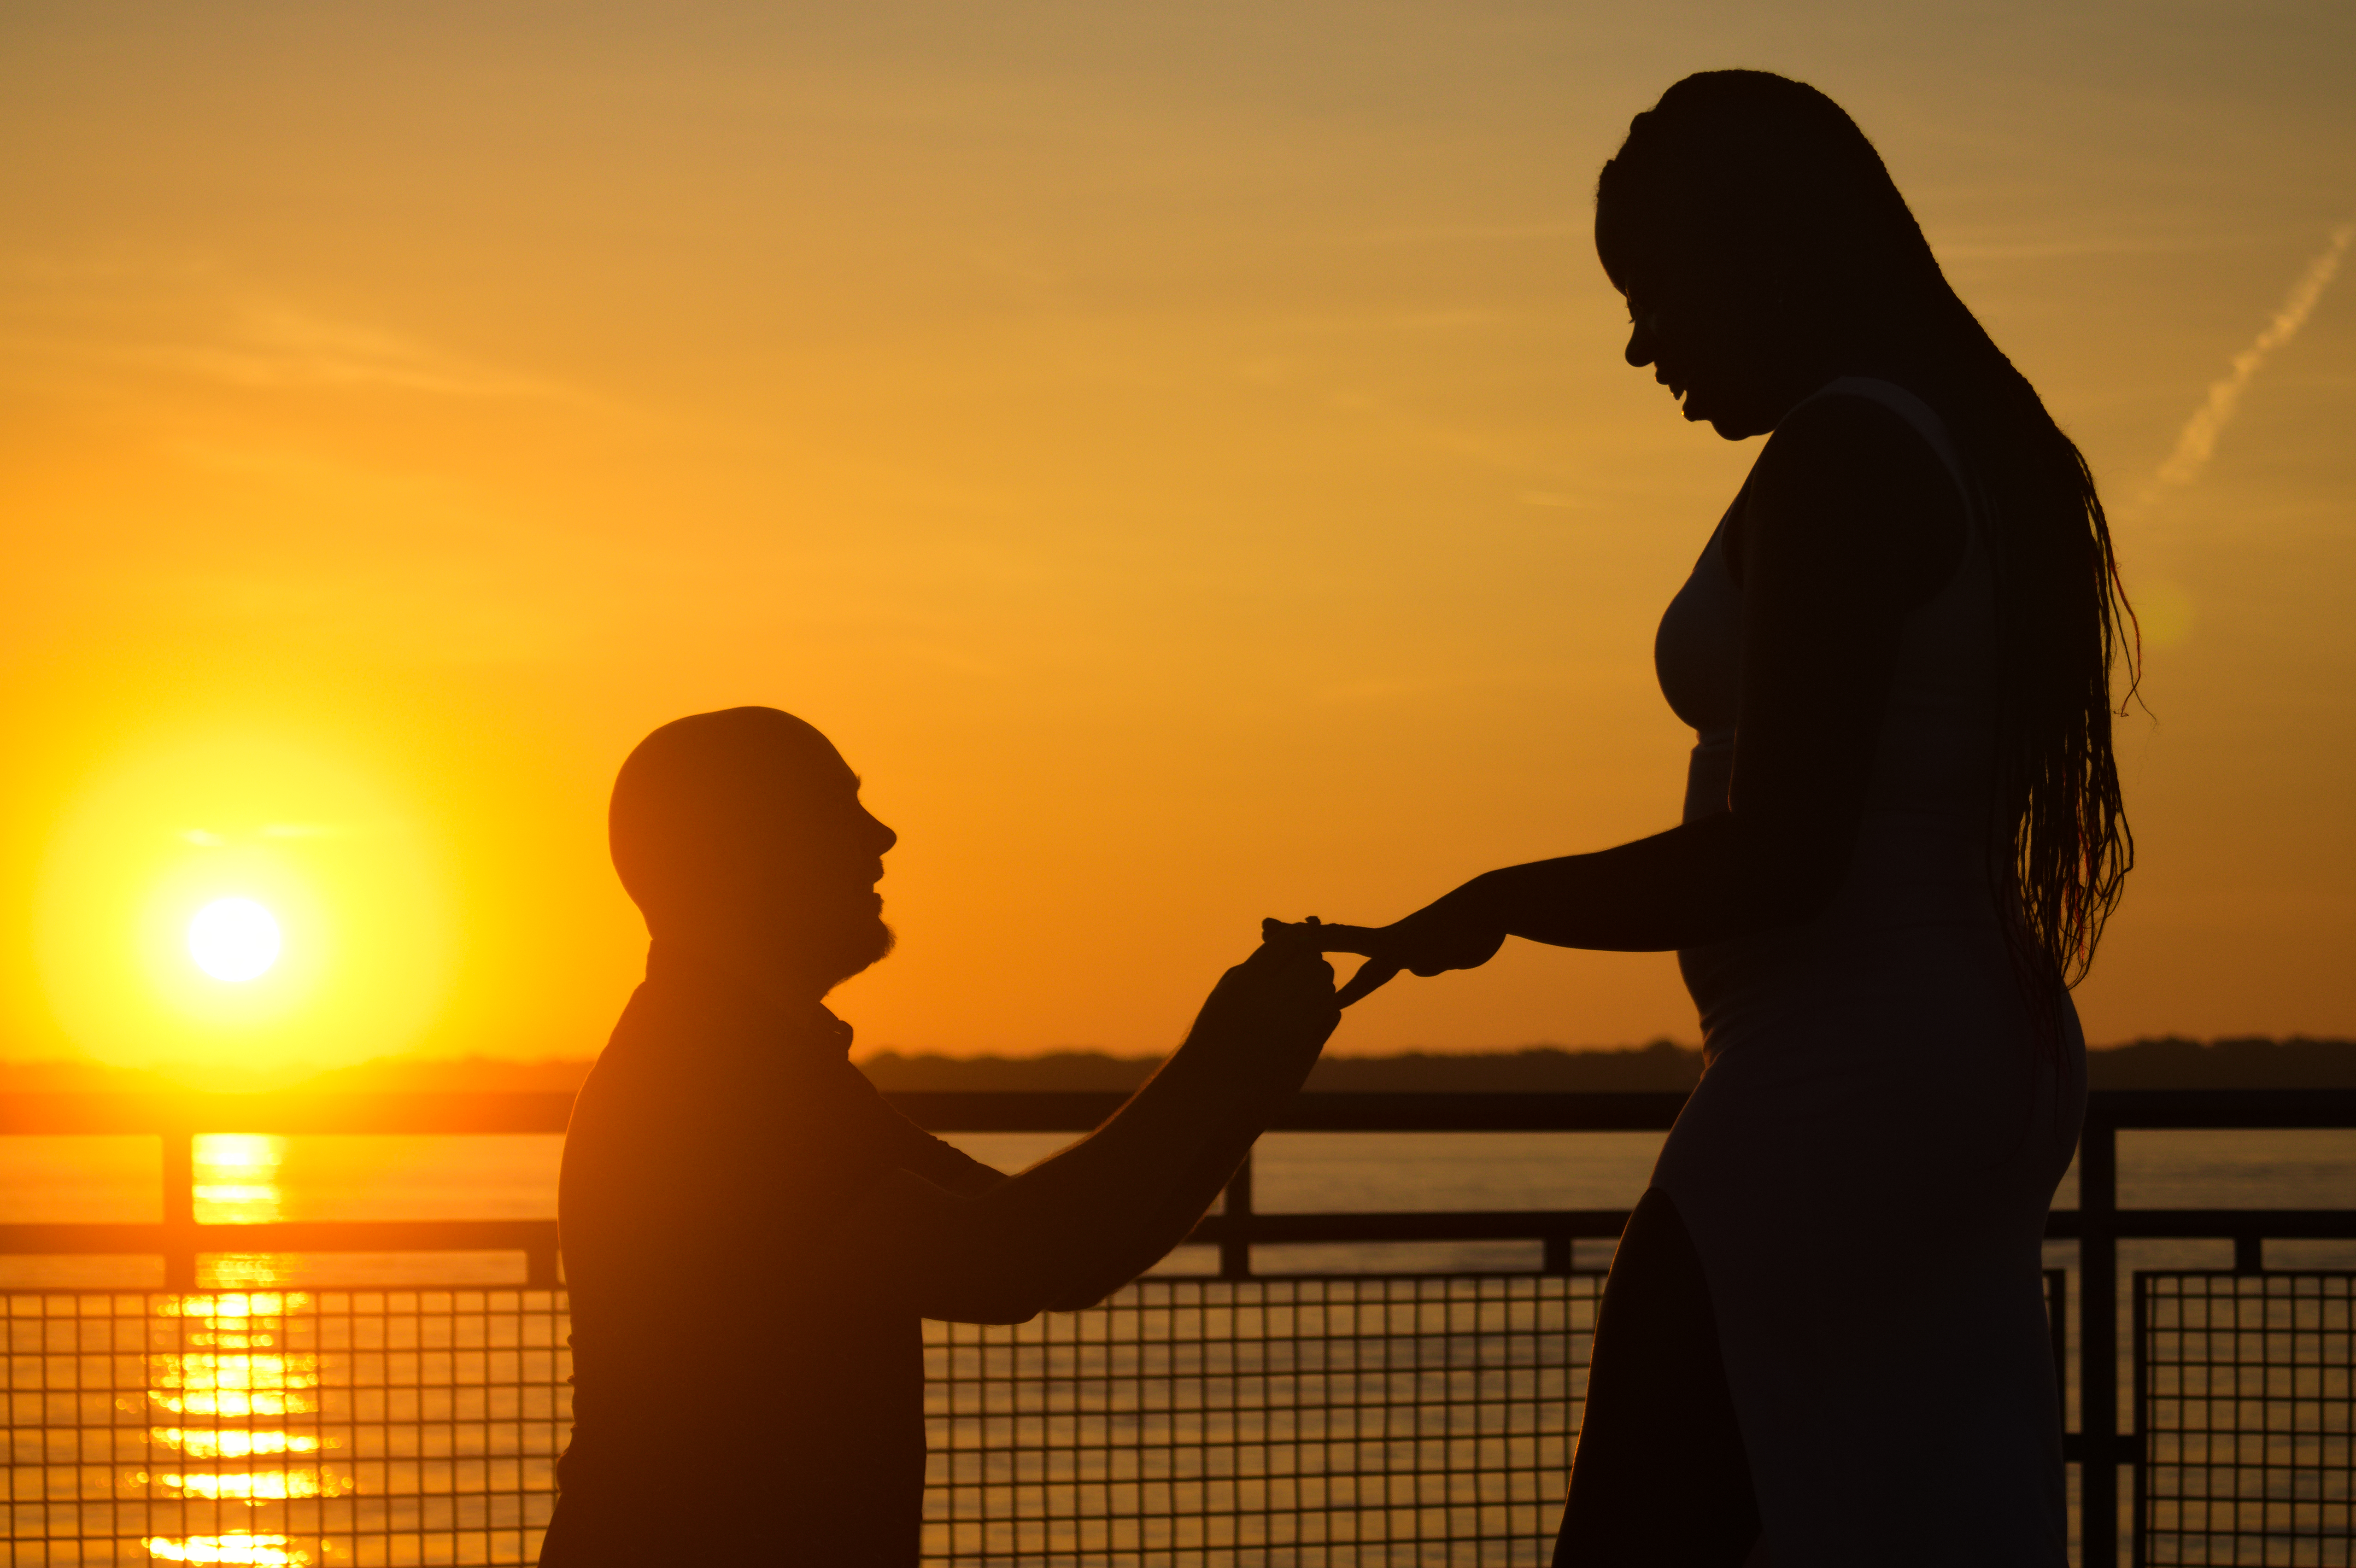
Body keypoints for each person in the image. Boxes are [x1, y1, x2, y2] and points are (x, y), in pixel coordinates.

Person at [1272, 71, 2133, 1567]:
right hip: (1965, 1053)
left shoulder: (1843, 455)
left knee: (1641, 1527)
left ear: (1765, 256)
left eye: (1654, 292)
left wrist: (1500, 898)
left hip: (1839, 1068)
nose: (1639, 344)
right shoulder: (1972, 447)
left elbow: (1783, 852)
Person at [538, 706, 1340, 1566]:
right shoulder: (717, 1083)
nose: (880, 836)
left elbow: (1066, 1249)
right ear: (731, 853)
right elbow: (1014, 1260)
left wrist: (1250, 1080)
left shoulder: (757, 1063)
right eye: (834, 808)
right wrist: (1222, 1065)